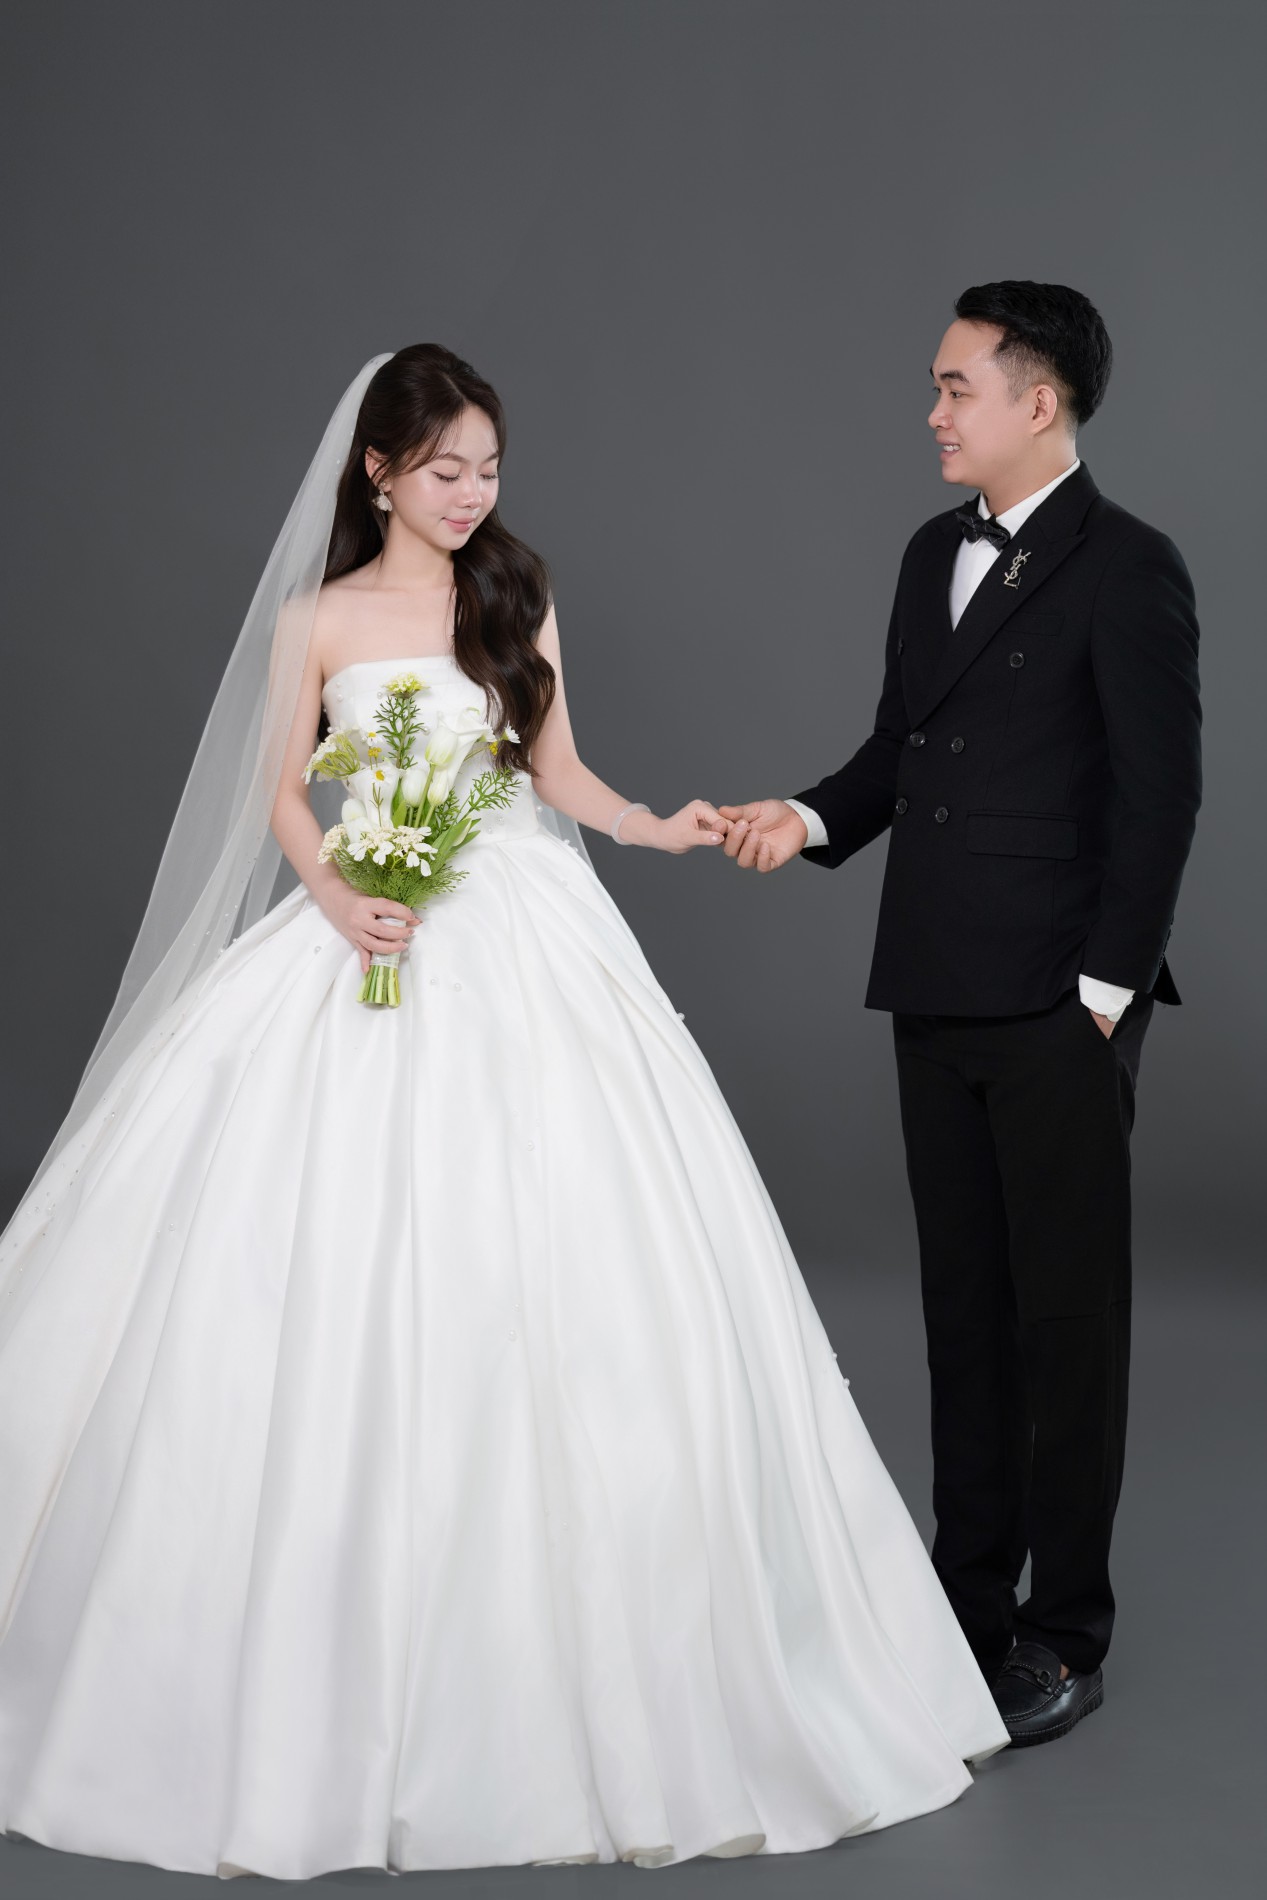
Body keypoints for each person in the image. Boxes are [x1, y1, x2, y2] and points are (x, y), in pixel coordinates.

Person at [0, 344, 1007, 1881]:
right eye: (445, 469)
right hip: (373, 924)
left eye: (488, 468)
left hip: (526, 927)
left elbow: (558, 772)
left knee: (583, 1260)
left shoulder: (516, 593)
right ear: (379, 472)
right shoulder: (317, 619)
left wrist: (653, 826)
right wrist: (340, 898)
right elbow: (282, 794)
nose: (473, 495)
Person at [718, 281, 1202, 1748]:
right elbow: (899, 749)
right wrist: (805, 817)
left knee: (1067, 1325)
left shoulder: (1131, 565)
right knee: (963, 1317)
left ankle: (1066, 1633)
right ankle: (967, 1601)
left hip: (1059, 1002)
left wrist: (1105, 994)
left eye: (953, 387)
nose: (931, 412)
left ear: (1037, 402)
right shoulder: (933, 550)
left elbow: (1160, 795)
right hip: (931, 979)